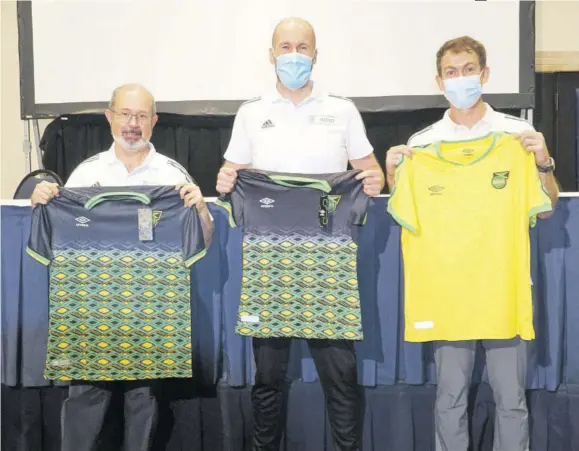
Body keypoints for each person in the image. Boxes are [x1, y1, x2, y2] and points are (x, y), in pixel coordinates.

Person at [216, 17, 384, 451]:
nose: (294, 55)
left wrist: (371, 180)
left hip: (329, 270)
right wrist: (226, 181)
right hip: (269, 269)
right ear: (272, 55)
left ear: (315, 55)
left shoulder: (341, 110)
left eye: (303, 47)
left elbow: (371, 171)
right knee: (268, 379)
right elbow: (235, 175)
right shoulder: (251, 113)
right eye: (286, 47)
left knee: (341, 378)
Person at [385, 37, 559, 451]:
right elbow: (405, 212)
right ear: (439, 80)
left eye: (468, 69)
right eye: (451, 71)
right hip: (447, 297)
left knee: (511, 401)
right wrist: (396, 176)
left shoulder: (517, 136)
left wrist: (543, 162)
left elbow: (547, 207)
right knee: (449, 399)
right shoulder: (422, 144)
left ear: (484, 74)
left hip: (503, 292)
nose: (460, 78)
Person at [30, 83, 213, 451]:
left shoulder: (173, 176)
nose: (133, 123)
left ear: (154, 122)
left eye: (142, 116)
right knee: (84, 403)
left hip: (150, 314)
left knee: (143, 404)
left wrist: (203, 211)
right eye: (126, 114)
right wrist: (45, 201)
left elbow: (201, 243)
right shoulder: (85, 173)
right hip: (91, 314)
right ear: (110, 118)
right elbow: (56, 239)